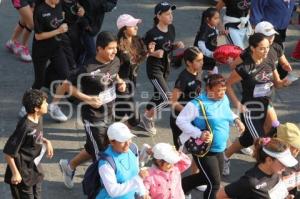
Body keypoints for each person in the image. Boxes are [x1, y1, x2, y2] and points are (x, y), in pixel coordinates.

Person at [59, 31, 126, 189]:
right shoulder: (87, 68)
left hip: (110, 113)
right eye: (110, 48)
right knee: (102, 155)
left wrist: (120, 82)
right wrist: (88, 99)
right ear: (99, 49)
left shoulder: (115, 60)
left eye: (115, 48)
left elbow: (114, 75)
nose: (114, 51)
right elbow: (66, 85)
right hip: (93, 117)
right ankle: (101, 189)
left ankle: (69, 167)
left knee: (93, 148)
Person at [223, 33, 290, 176]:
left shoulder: (270, 61)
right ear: (252, 48)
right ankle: (261, 175)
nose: (266, 51)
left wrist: (283, 83)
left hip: (266, 105)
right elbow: (227, 85)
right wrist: (237, 105)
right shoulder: (244, 68)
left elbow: (276, 83)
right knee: (261, 142)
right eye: (262, 48)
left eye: (267, 48)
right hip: (251, 110)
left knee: (251, 137)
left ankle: (224, 156)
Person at [176, 74, 245, 199]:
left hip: (220, 148)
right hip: (205, 150)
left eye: (224, 90)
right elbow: (180, 121)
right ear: (208, 89)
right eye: (218, 90)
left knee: (206, 177)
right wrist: (199, 134)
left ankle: (181, 185)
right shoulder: (196, 104)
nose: (222, 93)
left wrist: (236, 120)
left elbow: (227, 112)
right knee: (214, 184)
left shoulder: (223, 99)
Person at [17, 0, 71, 122]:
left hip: (56, 47)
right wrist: (59, 31)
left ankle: (54, 106)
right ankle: (27, 105)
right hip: (41, 50)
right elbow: (38, 36)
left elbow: (61, 17)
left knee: (66, 76)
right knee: (39, 81)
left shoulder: (59, 4)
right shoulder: (40, 10)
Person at [140, 1, 184, 135]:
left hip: (166, 68)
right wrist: (153, 53)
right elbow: (141, 51)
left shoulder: (172, 28)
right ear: (158, 16)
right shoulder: (151, 33)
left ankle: (147, 117)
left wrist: (175, 46)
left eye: (171, 13)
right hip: (154, 70)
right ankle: (146, 117)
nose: (171, 16)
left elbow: (167, 46)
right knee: (167, 98)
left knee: (159, 96)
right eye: (167, 14)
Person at [3, 89, 54, 199]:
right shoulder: (25, 127)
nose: (47, 104)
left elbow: (35, 135)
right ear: (36, 108)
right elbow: (8, 153)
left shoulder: (39, 118)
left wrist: (46, 141)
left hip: (35, 169)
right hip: (23, 172)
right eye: (44, 103)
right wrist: (15, 173)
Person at [216, 138, 298, 199]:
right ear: (269, 160)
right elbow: (219, 195)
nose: (285, 166)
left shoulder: (277, 172)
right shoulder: (251, 182)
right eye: (282, 163)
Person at [115, 14, 154, 128]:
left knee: (120, 112)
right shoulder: (117, 46)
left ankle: (112, 135)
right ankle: (119, 134)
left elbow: (138, 59)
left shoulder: (137, 41)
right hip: (121, 84)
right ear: (124, 29)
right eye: (132, 25)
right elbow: (111, 66)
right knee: (135, 118)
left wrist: (148, 52)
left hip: (132, 81)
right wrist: (118, 80)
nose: (136, 27)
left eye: (136, 24)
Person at [97, 122, 150, 199]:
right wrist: (138, 178)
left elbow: (135, 171)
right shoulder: (105, 164)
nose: (128, 143)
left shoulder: (132, 148)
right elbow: (113, 191)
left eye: (129, 139)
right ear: (112, 141)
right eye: (123, 140)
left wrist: (142, 192)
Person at [250, 0, 295, 79]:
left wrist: (289, 17)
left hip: (281, 28)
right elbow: (256, 8)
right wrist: (257, 28)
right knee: (265, 52)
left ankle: (279, 74)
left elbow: (290, 7)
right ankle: (262, 76)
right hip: (267, 30)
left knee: (278, 50)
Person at [170, 47, 203, 150]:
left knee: (195, 148)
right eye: (198, 61)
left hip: (192, 118)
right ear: (188, 63)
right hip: (180, 119)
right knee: (180, 152)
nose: (202, 63)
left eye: (202, 59)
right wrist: (188, 111)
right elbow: (173, 102)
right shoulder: (183, 78)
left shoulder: (198, 72)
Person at [193, 7, 227, 76]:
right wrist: (210, 54)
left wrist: (220, 32)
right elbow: (200, 44)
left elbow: (213, 33)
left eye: (218, 18)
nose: (218, 20)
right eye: (215, 18)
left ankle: (211, 80)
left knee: (213, 71)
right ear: (208, 19)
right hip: (203, 55)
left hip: (210, 53)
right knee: (200, 73)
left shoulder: (212, 26)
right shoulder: (205, 29)